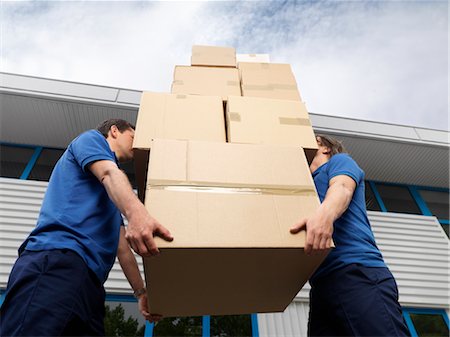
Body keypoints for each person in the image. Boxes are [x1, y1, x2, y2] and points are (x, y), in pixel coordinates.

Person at [0, 119, 173, 336]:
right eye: (133, 136)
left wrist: (140, 293)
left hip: (90, 284)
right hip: (56, 261)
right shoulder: (92, 140)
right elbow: (109, 173)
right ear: (114, 131)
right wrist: (138, 213)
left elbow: (122, 248)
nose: (136, 143)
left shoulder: (114, 195)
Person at [290, 135, 410, 337]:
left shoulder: (339, 162)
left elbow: (342, 188)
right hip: (321, 286)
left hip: (357, 272)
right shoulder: (301, 186)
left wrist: (324, 216)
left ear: (323, 146)